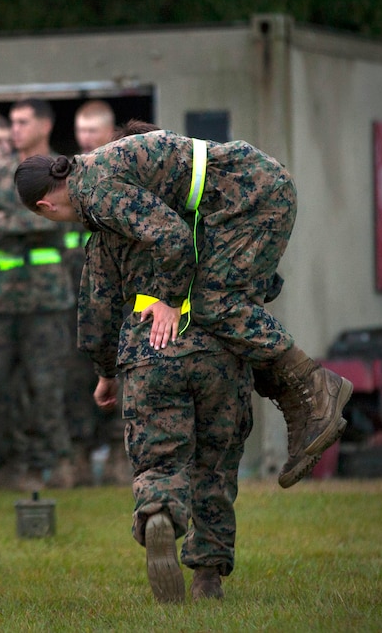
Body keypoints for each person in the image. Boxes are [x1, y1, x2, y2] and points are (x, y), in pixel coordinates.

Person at [14, 123, 353, 487]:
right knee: (224, 307)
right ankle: (301, 404)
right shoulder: (92, 171)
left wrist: (170, 302)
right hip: (244, 194)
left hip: (253, 197)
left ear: (45, 206)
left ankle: (318, 390)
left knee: (212, 304)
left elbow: (172, 237)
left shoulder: (95, 192)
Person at [79, 222, 252, 602]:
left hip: (150, 351)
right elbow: (263, 280)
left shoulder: (116, 217)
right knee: (216, 464)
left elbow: (98, 308)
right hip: (218, 349)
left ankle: (159, 511)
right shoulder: (214, 210)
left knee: (160, 458)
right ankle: (208, 576)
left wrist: (106, 373)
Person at [0, 99, 75, 491]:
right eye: (11, 122)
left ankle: (58, 464)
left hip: (46, 297)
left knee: (47, 386)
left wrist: (10, 220)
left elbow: (62, 219)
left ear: (45, 125)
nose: (15, 129)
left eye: (23, 122)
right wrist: (31, 218)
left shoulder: (62, 171)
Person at [65, 100, 128, 486]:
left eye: (93, 131)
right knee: (76, 378)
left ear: (109, 131)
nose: (86, 139)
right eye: (81, 131)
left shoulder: (118, 172)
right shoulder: (69, 176)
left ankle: (122, 455)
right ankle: (82, 457)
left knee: (122, 368)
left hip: (120, 295)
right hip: (76, 297)